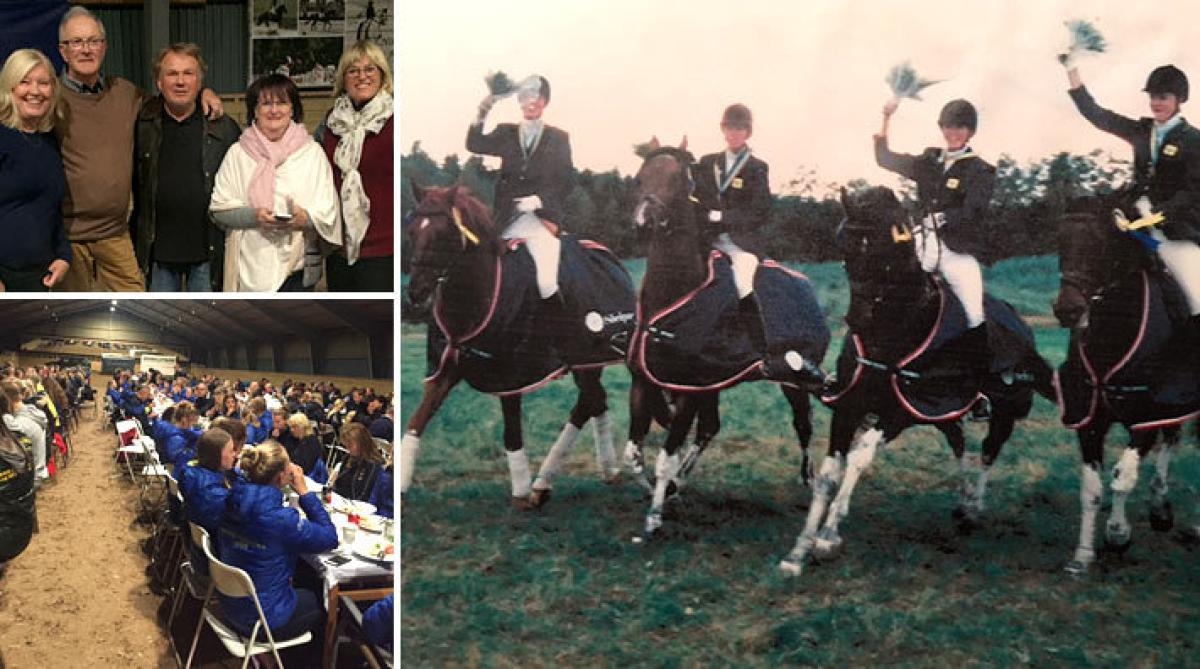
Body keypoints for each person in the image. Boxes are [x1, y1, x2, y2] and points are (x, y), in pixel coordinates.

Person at [54, 7, 223, 292]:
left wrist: (204, 92)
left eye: (93, 41)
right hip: (68, 235)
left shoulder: (124, 92)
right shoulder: (51, 98)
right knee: (76, 309)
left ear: (104, 47)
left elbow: (173, 98)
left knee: (136, 298)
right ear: (63, 50)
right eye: (77, 42)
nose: (86, 49)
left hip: (115, 235)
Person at [1064, 61, 1200, 322]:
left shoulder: (1194, 140)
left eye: (1163, 97)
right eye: (1153, 97)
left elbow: (1192, 192)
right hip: (1133, 219)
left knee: (1197, 297)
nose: (1156, 103)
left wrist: (1160, 214)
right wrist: (1072, 70)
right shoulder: (1140, 131)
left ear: (1179, 99)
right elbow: (1096, 114)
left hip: (1172, 230)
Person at [875, 96, 996, 376]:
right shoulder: (929, 161)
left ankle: (978, 381)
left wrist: (943, 217)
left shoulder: (981, 169)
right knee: (889, 289)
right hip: (923, 242)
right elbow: (885, 158)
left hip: (956, 251)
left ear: (970, 132)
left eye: (960, 128)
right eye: (949, 127)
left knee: (973, 312)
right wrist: (887, 118)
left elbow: (974, 210)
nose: (953, 133)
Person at [210, 74, 340, 291]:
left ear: (293, 109)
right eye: (266, 103)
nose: (274, 110)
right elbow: (218, 210)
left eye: (281, 103)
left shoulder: (311, 153)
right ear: (254, 109)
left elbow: (328, 211)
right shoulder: (238, 153)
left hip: (296, 270)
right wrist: (255, 217)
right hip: (248, 269)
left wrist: (305, 219)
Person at [132, 44, 242, 289]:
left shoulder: (224, 129)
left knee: (204, 323)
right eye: (172, 74)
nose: (180, 81)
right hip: (158, 253)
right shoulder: (141, 125)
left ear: (200, 81)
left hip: (207, 252)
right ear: (159, 83)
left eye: (188, 73)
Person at [217, 441, 336, 648]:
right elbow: (329, 538)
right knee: (324, 599)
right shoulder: (281, 520)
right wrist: (304, 493)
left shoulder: (231, 499)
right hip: (262, 620)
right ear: (282, 476)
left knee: (301, 575)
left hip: (229, 604)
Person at [467, 74, 575, 301]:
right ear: (519, 101)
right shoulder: (506, 132)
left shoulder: (558, 138)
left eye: (536, 97)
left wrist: (540, 200)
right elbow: (474, 144)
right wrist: (484, 108)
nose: (531, 102)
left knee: (546, 283)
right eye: (525, 97)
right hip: (505, 220)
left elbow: (566, 180)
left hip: (540, 221)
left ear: (545, 101)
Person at [319, 40, 395, 291]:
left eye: (370, 69)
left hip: (383, 250)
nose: (362, 76)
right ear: (343, 78)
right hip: (339, 249)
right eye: (353, 70)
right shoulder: (330, 122)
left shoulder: (397, 120)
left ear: (382, 75)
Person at [0, 48, 70, 291]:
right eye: (25, 82)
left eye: (44, 83)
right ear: (9, 88)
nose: (35, 91)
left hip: (42, 276)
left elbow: (51, 209)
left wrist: (63, 255)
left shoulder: (49, 143)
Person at [694, 103, 772, 302]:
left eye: (740, 128)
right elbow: (694, 195)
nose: (734, 133)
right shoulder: (707, 163)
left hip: (739, 243)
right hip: (704, 238)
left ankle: (745, 328)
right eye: (730, 127)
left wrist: (723, 217)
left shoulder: (757, 168)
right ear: (723, 129)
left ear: (747, 132)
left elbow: (760, 211)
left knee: (743, 281)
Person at [176, 427, 238, 575]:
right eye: (230, 451)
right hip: (217, 561)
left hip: (199, 552)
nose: (235, 455)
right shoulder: (210, 494)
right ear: (217, 456)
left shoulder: (196, 476)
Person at [330, 421, 383, 503]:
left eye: (350, 445)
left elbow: (363, 496)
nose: (348, 448)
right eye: (346, 445)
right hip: (338, 500)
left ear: (362, 443)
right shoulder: (348, 457)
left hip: (355, 506)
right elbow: (337, 484)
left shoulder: (373, 465)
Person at [280, 412, 325, 480]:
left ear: (303, 426)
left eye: (295, 427)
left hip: (307, 477)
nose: (291, 430)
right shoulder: (293, 439)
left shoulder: (311, 442)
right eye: (290, 427)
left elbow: (305, 466)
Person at [159, 400, 201, 466]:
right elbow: (178, 458)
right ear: (184, 419)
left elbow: (190, 432)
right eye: (193, 421)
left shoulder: (175, 428)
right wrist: (197, 453)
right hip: (172, 467)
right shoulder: (175, 438)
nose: (194, 424)